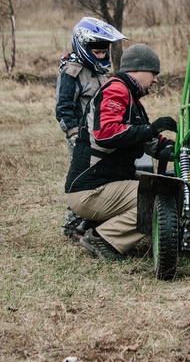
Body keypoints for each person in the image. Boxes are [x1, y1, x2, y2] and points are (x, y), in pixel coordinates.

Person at [64, 43, 177, 260]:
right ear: (138, 69)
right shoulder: (116, 89)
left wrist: (174, 147)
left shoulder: (132, 99)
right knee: (157, 197)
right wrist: (152, 128)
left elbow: (146, 140)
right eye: (154, 73)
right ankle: (102, 238)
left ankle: (96, 223)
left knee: (160, 185)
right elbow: (106, 134)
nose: (155, 80)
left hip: (102, 185)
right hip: (91, 190)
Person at [56, 16, 127, 241]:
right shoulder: (72, 72)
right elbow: (64, 107)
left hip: (100, 133)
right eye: (97, 52)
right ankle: (73, 226)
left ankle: (94, 218)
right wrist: (74, 134)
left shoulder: (101, 72)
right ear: (84, 46)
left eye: (104, 51)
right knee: (84, 178)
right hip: (81, 136)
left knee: (103, 175)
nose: (102, 55)